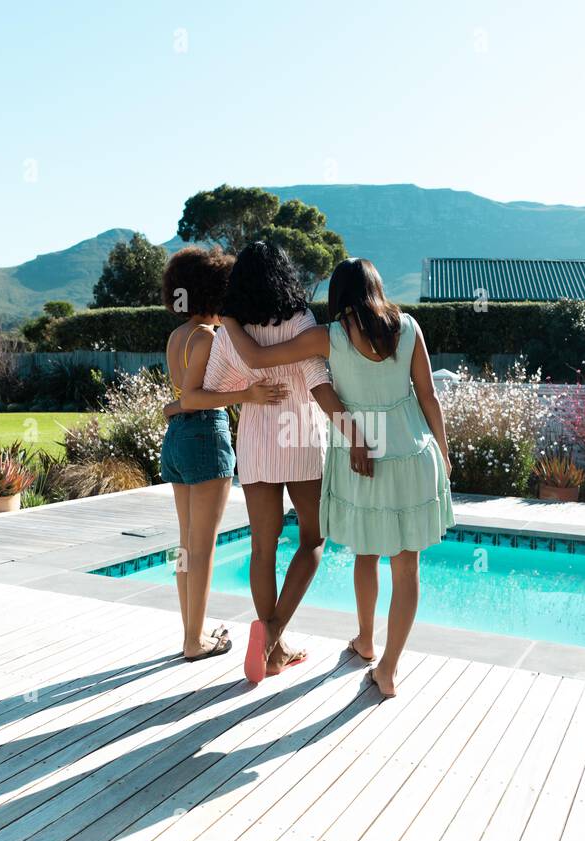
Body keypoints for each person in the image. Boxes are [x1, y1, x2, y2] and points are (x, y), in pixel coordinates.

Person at [218, 257, 454, 697]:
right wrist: (443, 451)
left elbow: (259, 356)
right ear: (377, 288)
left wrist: (228, 319)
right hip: (414, 453)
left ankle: (363, 641)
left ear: (338, 297)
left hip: (364, 455)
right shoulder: (409, 327)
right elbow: (429, 396)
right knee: (407, 568)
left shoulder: (329, 338)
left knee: (367, 552)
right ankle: (388, 668)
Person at [180, 241, 354, 683]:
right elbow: (319, 385)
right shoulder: (301, 322)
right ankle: (273, 637)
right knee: (313, 539)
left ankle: (273, 646)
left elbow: (203, 393)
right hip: (300, 440)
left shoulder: (232, 333)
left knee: (262, 546)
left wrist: (247, 390)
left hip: (256, 444)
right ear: (285, 275)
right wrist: (358, 435)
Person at [159, 246, 287, 661]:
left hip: (177, 438)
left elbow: (182, 397)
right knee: (204, 546)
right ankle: (195, 641)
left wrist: (177, 406)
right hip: (204, 438)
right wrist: (247, 393)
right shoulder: (207, 337)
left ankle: (190, 632)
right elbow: (197, 396)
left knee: (185, 546)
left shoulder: (177, 335)